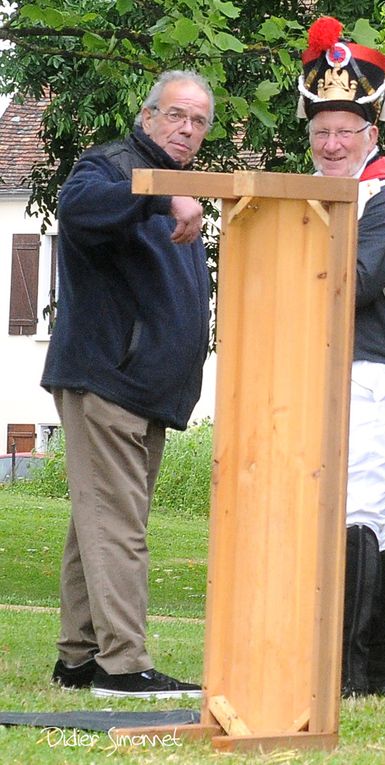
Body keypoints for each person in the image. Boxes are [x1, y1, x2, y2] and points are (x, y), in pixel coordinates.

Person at [41, 70, 214, 698]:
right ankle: (124, 666)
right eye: (175, 115)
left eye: (198, 122)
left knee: (100, 523)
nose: (186, 129)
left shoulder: (181, 186)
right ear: (147, 117)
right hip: (107, 379)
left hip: (146, 390)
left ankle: (79, 658)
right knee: (119, 526)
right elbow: (77, 208)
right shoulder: (111, 169)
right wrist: (158, 197)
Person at [297, 17, 385, 697]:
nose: (330, 142)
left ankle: (348, 675)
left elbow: (351, 281)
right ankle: (383, 675)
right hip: (310, 369)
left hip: (372, 374)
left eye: (344, 130)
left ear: (370, 136)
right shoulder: (303, 198)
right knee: (349, 517)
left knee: (357, 512)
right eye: (321, 129)